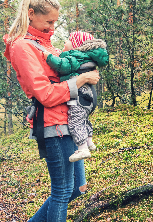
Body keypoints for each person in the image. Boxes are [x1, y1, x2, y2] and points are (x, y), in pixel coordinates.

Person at [2, 0, 99, 222]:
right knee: (61, 190)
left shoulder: (46, 45)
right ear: (31, 14)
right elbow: (43, 93)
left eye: (56, 22)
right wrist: (81, 79)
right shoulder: (22, 47)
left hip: (70, 124)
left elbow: (63, 69)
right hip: (52, 125)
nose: (53, 28)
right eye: (49, 23)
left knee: (76, 188)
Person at [41, 31, 109, 163]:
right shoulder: (86, 58)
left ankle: (83, 148)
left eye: (68, 40)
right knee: (84, 119)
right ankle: (89, 141)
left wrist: (48, 57)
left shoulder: (75, 57)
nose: (65, 42)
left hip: (80, 97)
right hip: (89, 96)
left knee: (76, 121)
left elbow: (63, 66)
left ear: (76, 45)